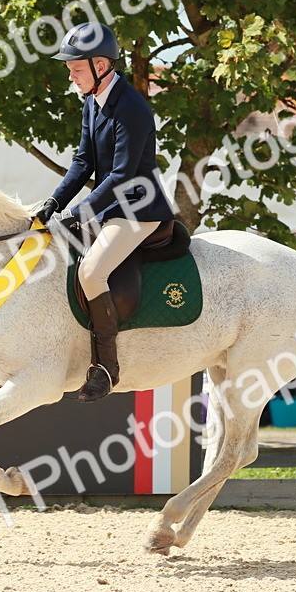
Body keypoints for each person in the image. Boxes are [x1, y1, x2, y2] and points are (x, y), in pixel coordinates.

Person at [31, 23, 175, 402]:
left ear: (100, 65)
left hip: (138, 209)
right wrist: (55, 203)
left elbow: (121, 174)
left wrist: (79, 212)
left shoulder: (132, 107)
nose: (70, 75)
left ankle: (106, 369)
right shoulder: (92, 102)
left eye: (75, 68)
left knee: (92, 272)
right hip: (111, 206)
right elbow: (82, 162)